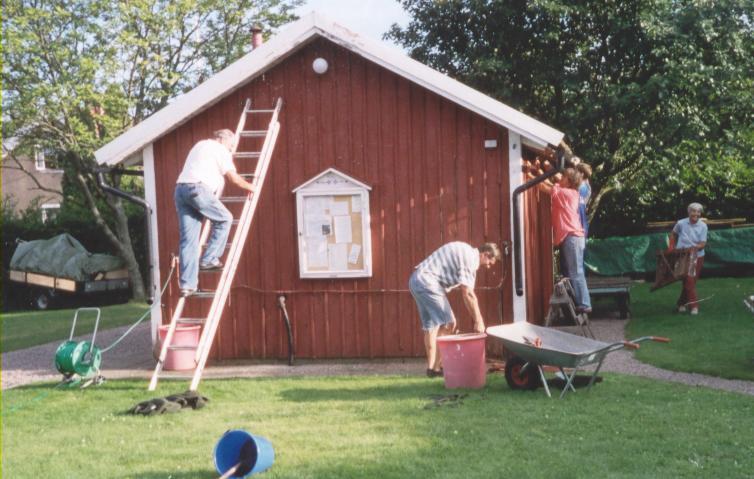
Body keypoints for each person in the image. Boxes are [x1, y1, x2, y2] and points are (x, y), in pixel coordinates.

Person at [174, 129, 256, 296]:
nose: (232, 149)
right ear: (223, 140)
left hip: (181, 190)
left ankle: (187, 285)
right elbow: (233, 178)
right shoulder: (220, 150)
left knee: (188, 241)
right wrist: (252, 187)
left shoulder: (200, 145)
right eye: (231, 145)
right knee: (225, 218)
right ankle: (210, 258)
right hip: (197, 189)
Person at [409, 242, 501, 377]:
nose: (487, 267)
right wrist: (479, 320)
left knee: (431, 326)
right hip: (428, 283)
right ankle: (437, 369)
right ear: (485, 254)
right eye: (489, 263)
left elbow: (466, 293)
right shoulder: (470, 258)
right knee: (449, 323)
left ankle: (431, 368)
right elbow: (468, 293)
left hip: (416, 280)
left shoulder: (465, 250)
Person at [550, 167, 592, 314]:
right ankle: (583, 302)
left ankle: (585, 304)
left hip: (572, 236)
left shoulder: (566, 193)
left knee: (576, 271)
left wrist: (552, 181)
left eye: (564, 177)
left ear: (568, 181)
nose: (561, 178)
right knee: (576, 271)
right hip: (574, 236)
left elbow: (552, 191)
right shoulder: (571, 193)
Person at [670, 202, 707, 315]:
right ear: (689, 212)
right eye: (693, 211)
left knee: (690, 281)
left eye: (698, 212)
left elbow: (703, 243)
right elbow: (672, 234)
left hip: (697, 256)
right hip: (682, 255)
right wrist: (672, 247)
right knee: (689, 281)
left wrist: (695, 248)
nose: (695, 213)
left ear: (700, 213)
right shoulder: (681, 223)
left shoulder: (703, 226)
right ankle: (694, 306)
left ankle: (681, 303)